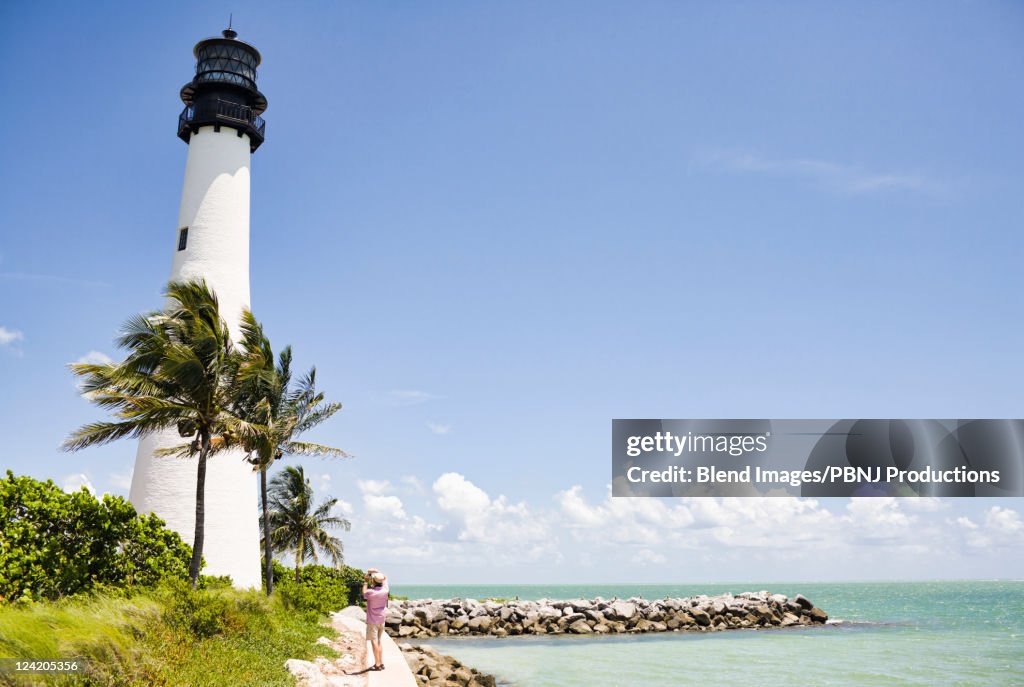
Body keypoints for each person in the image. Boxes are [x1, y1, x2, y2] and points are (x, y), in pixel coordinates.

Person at [363, 568, 389, 671]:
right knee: (379, 641)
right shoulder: (386, 590)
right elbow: (385, 578)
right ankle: (381, 662)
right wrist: (377, 571)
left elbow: (364, 593)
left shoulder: (370, 592)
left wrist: (366, 581)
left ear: (373, 582)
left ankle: (377, 664)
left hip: (372, 620)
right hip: (381, 619)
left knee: (374, 642)